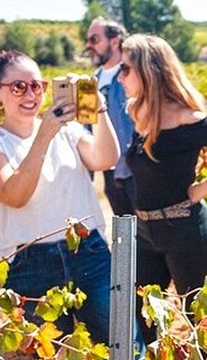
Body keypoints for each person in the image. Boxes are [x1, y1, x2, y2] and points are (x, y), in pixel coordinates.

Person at [0, 51, 159, 360]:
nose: (31, 94)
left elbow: (106, 156)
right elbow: (14, 194)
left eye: (37, 84)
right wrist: (45, 134)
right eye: (18, 86)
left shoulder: (69, 132)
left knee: (127, 349)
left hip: (89, 254)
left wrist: (98, 109)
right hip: (30, 266)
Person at [118, 35, 207, 345]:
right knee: (142, 316)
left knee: (198, 319)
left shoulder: (186, 118)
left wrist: (202, 189)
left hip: (184, 231)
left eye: (125, 69)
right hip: (145, 231)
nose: (120, 76)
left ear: (147, 70)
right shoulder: (138, 113)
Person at [85, 16, 136, 216]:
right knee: (124, 237)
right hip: (112, 177)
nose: (89, 46)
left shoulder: (133, 76)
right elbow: (87, 129)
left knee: (150, 240)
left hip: (138, 174)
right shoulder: (90, 83)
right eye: (88, 40)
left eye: (95, 40)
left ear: (115, 42)